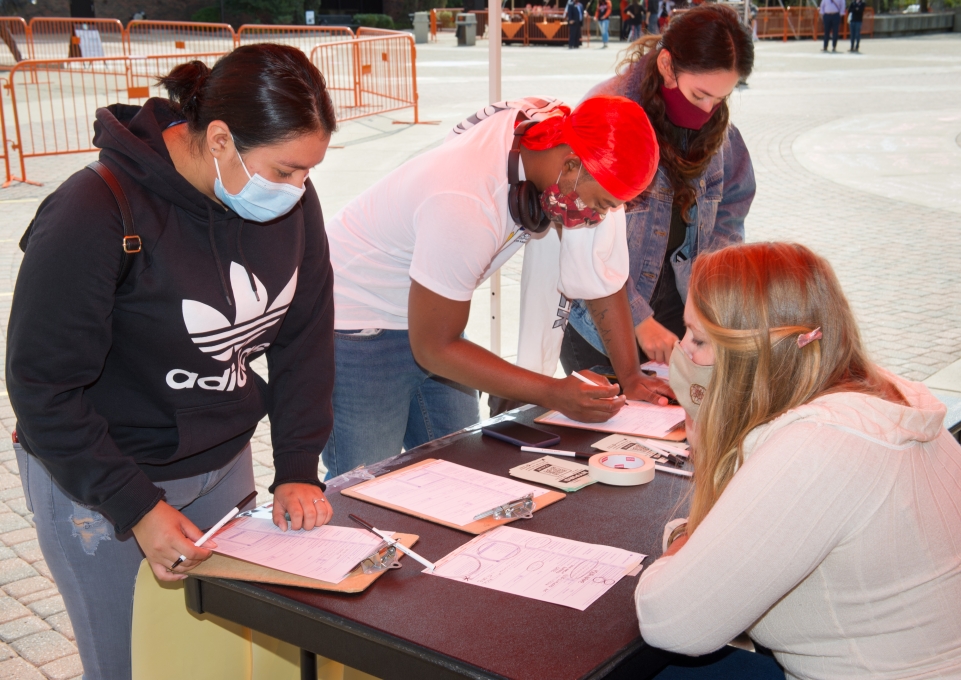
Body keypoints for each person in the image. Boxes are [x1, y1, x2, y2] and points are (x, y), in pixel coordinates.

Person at [6, 44, 337, 680]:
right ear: (219, 138)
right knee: (132, 665)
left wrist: (298, 466)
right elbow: (42, 387)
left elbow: (305, 335)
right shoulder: (93, 210)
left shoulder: (288, 200)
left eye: (306, 174)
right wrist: (137, 508)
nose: (298, 190)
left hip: (221, 465)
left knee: (221, 660)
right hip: (103, 483)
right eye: (286, 170)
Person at [635, 242, 961, 679]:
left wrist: (687, 531)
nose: (684, 354)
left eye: (698, 339)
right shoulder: (886, 397)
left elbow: (669, 621)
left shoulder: (817, 449)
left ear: (750, 353)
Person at [322, 96, 670, 479]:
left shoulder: (550, 134)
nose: (597, 217)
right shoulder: (465, 201)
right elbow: (436, 347)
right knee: (364, 483)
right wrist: (550, 391)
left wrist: (632, 377)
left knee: (467, 471)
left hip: (427, 313)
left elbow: (601, 274)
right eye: (601, 204)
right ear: (570, 165)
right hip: (354, 321)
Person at [558, 6, 755, 383]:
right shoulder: (610, 112)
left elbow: (733, 205)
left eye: (720, 99)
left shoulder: (718, 132)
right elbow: (582, 236)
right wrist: (638, 318)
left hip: (676, 325)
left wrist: (711, 294)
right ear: (667, 65)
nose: (709, 110)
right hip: (603, 329)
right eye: (699, 95)